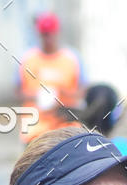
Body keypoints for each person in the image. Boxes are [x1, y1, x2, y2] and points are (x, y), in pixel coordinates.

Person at [16, 12, 86, 144]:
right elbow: (17, 92)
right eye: (44, 34)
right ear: (39, 34)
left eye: (50, 33)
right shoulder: (28, 59)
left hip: (67, 131)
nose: (47, 38)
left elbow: (83, 92)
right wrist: (37, 96)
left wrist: (61, 94)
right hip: (35, 131)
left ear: (57, 33)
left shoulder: (72, 58)